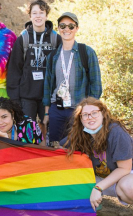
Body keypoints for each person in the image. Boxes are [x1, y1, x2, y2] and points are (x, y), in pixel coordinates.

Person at [63, 97, 133, 211]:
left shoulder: (116, 132)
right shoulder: (80, 133)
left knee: (130, 188)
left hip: (123, 176)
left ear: (103, 114)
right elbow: (60, 149)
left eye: (94, 113)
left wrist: (98, 188)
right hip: (96, 178)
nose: (90, 117)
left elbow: (124, 168)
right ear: (80, 119)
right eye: (85, 115)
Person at [43, 12, 102, 145]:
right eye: (63, 26)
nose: (67, 29)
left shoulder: (86, 52)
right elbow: (48, 86)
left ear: (77, 28)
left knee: (78, 147)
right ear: (58, 28)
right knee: (55, 147)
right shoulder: (53, 56)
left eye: (71, 26)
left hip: (79, 110)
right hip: (56, 110)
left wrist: (89, 112)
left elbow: (96, 86)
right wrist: (47, 114)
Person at [6, 0, 61, 140]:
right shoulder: (23, 39)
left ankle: (49, 160)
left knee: (51, 136)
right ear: (29, 16)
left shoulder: (56, 39)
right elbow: (14, 70)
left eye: (41, 13)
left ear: (46, 15)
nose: (38, 16)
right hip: (26, 97)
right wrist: (15, 99)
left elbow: (62, 69)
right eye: (34, 13)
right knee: (26, 136)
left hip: (48, 98)